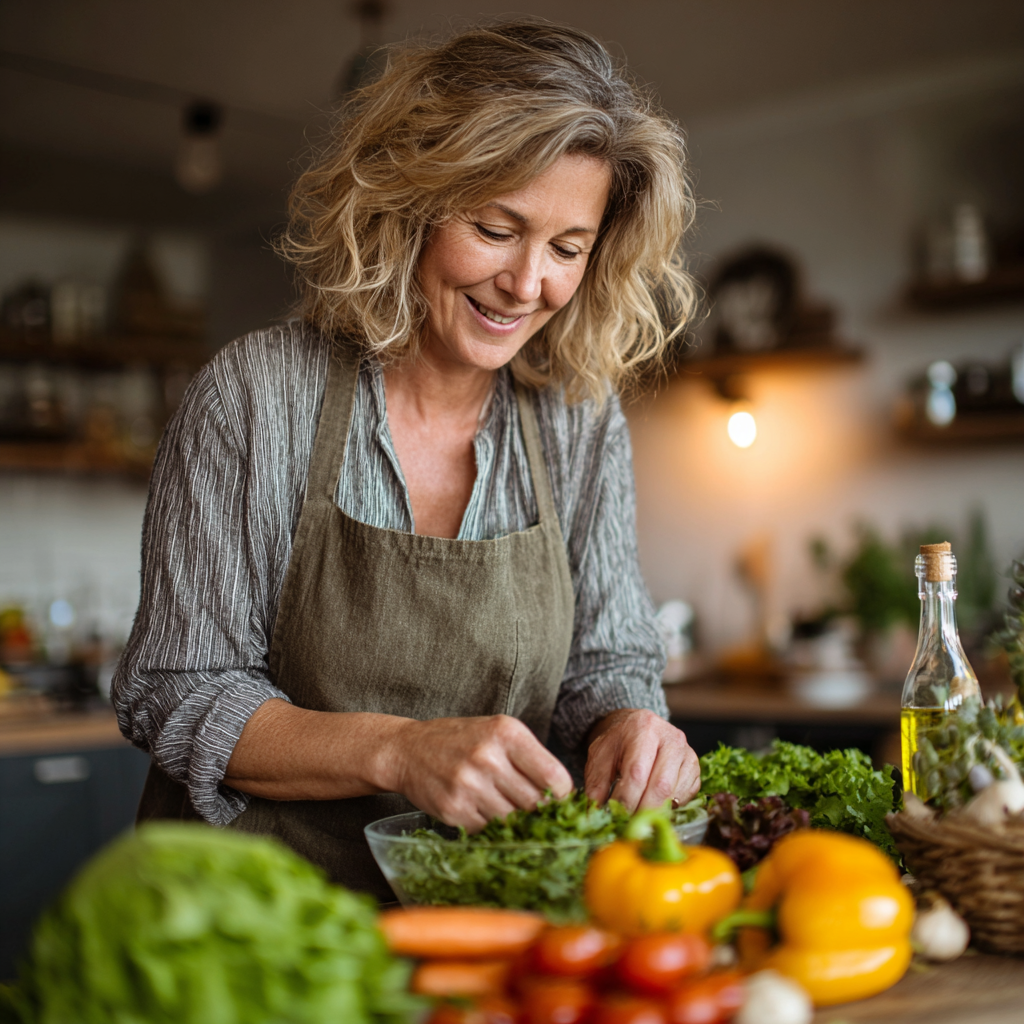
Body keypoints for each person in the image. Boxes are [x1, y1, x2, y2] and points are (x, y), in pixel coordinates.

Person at [113, 20, 701, 900]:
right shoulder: (256, 395)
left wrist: (631, 723)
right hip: (250, 924)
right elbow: (177, 689)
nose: (528, 283)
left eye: (568, 249)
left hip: (482, 924)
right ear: (409, 200)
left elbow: (607, 657)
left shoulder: (576, 416)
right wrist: (398, 747)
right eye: (497, 229)